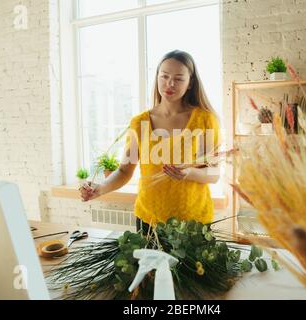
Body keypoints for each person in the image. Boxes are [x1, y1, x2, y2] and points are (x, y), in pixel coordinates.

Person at [80, 50, 221, 233]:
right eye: (164, 76)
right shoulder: (140, 123)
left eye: (178, 78)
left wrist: (189, 172)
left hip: (193, 222)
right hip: (149, 220)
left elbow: (213, 173)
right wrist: (101, 188)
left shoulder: (205, 120)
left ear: (190, 83)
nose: (169, 83)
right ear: (157, 77)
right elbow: (124, 170)